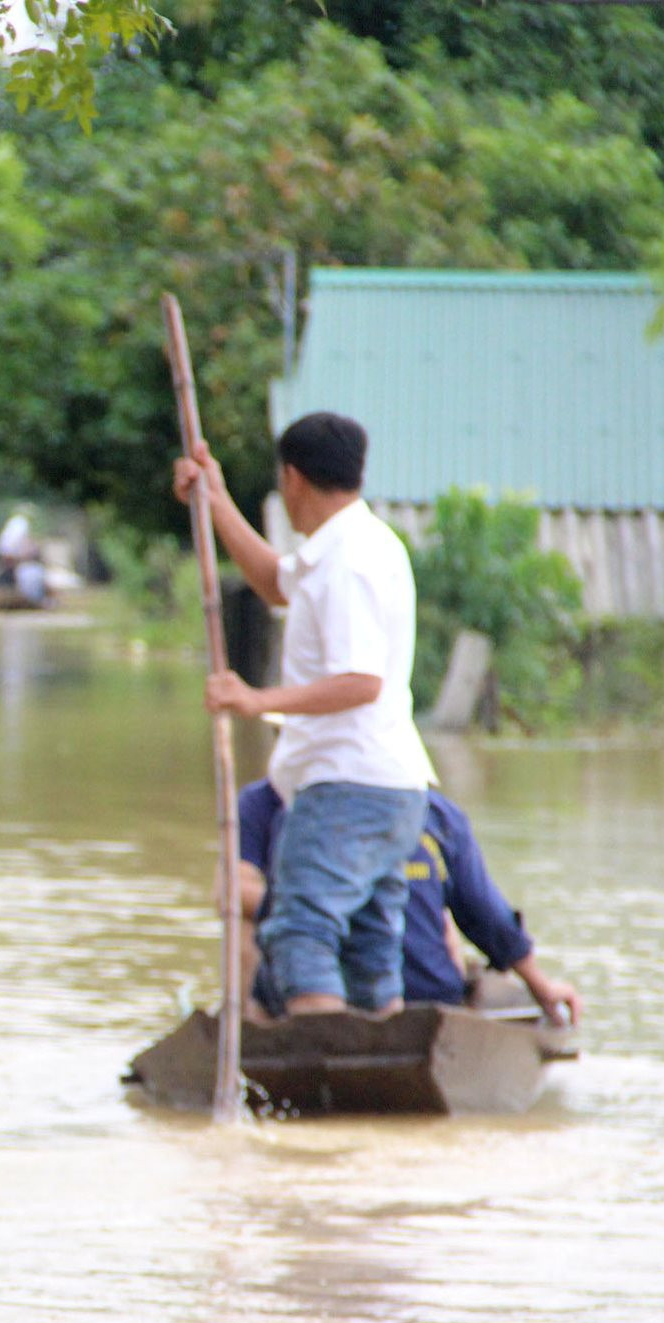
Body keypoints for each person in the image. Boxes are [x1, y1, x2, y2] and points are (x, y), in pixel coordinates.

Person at [175, 412, 433, 1017]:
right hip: (390, 788)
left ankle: (330, 1083)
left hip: (349, 786)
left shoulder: (350, 559)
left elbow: (359, 681)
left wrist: (256, 700)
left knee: (298, 934)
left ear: (292, 479)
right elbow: (272, 581)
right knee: (369, 950)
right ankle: (377, 1080)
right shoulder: (346, 546)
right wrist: (216, 500)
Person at [234, 779, 584, 1024]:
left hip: (314, 995)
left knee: (284, 941)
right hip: (424, 992)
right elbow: (487, 918)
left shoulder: (297, 818)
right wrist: (540, 984)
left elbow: (278, 918)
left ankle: (270, 1020)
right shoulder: (438, 816)